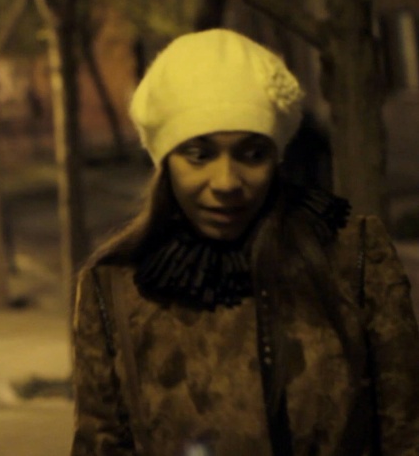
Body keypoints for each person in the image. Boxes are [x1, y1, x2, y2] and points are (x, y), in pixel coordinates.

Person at [71, 29, 419, 455]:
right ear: (165, 162)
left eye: (252, 154)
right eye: (199, 154)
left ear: (277, 156)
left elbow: (407, 433)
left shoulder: (354, 258)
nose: (227, 182)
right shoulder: (114, 288)